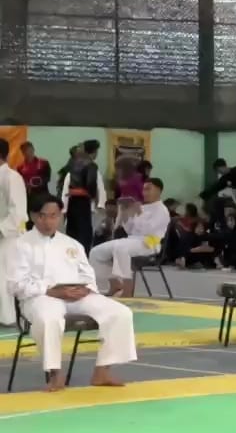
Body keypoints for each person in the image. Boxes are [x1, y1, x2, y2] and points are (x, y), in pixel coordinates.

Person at [8, 195, 137, 392]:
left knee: (121, 313)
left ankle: (103, 371)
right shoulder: (20, 244)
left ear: (61, 216)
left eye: (53, 216)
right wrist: (50, 290)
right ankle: (55, 373)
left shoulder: (72, 244)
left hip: (76, 295)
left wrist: (85, 288)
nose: (48, 221)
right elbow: (15, 285)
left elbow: (87, 274)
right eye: (42, 216)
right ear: (33, 216)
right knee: (49, 318)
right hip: (40, 297)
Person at [90, 178, 169, 297]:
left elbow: (148, 230)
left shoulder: (162, 210)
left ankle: (127, 289)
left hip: (150, 243)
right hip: (132, 240)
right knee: (96, 252)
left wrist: (139, 212)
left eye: (148, 189)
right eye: (143, 190)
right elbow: (130, 230)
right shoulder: (141, 207)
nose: (145, 193)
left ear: (158, 190)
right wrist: (125, 213)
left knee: (121, 248)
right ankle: (115, 284)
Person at [0, 138, 28, 325]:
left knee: (4, 278)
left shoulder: (12, 177)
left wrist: (1, 229)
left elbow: (18, 212)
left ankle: (7, 319)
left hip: (8, 237)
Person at [59, 141, 106, 253]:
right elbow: (91, 184)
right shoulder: (91, 165)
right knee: (84, 232)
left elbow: (67, 185)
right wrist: (94, 198)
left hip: (72, 200)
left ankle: (71, 254)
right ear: (94, 152)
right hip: (84, 201)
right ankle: (83, 256)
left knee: (73, 230)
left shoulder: (73, 164)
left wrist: (64, 207)